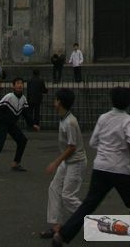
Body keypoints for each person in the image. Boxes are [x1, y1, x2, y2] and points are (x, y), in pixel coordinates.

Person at [52, 87, 130, 247]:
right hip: (119, 168)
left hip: (100, 167)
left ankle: (63, 235)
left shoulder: (103, 117)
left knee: (89, 203)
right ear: (128, 103)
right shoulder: (127, 119)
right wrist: (128, 147)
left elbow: (93, 141)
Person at [40, 88, 87, 240]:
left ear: (60, 102)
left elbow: (72, 147)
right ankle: (56, 226)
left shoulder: (70, 122)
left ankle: (90, 222)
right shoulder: (64, 118)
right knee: (54, 188)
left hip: (76, 162)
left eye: (56, 99)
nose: (54, 101)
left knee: (67, 195)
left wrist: (56, 162)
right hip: (68, 162)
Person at [0, 76, 38, 175]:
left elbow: (26, 114)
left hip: (12, 125)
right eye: (18, 83)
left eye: (21, 83)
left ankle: (16, 163)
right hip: (3, 124)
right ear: (13, 86)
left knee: (22, 140)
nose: (20, 85)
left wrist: (33, 124)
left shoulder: (23, 99)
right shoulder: (9, 97)